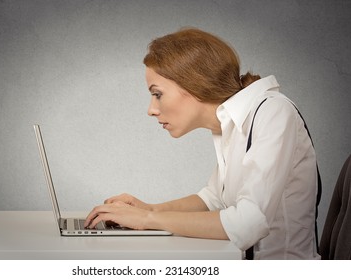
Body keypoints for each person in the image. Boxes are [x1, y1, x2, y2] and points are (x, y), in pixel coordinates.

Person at [84, 28, 320, 260]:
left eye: (157, 94)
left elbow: (248, 223)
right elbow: (213, 199)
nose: (151, 110)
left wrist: (146, 221)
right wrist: (148, 209)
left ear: (193, 84)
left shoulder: (273, 112)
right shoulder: (228, 125)